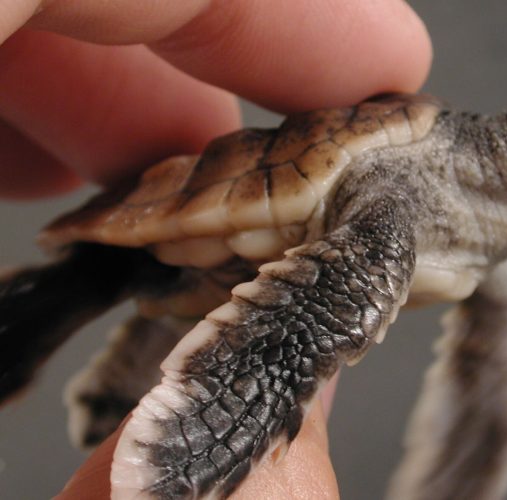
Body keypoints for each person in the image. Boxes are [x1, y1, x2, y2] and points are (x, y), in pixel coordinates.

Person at [0, 1, 432, 498]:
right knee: (88, 283)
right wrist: (230, 416)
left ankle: (132, 376)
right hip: (224, 212)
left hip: (210, 261)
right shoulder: (399, 208)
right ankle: (182, 403)